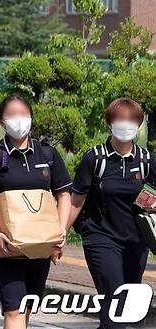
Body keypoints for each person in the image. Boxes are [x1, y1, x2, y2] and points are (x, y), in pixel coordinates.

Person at [0, 94, 72, 329]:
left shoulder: (47, 154)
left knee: (26, 308)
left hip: (40, 245)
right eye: (12, 115)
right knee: (14, 309)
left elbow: (64, 193)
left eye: (23, 114)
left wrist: (61, 230)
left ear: (32, 117)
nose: (19, 120)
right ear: (1, 121)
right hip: (3, 246)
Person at [63, 98, 153, 329]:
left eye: (132, 120)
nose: (126, 125)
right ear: (110, 123)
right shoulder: (95, 159)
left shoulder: (146, 160)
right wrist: (60, 234)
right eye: (120, 119)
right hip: (100, 237)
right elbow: (76, 200)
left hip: (136, 242)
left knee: (127, 308)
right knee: (115, 296)